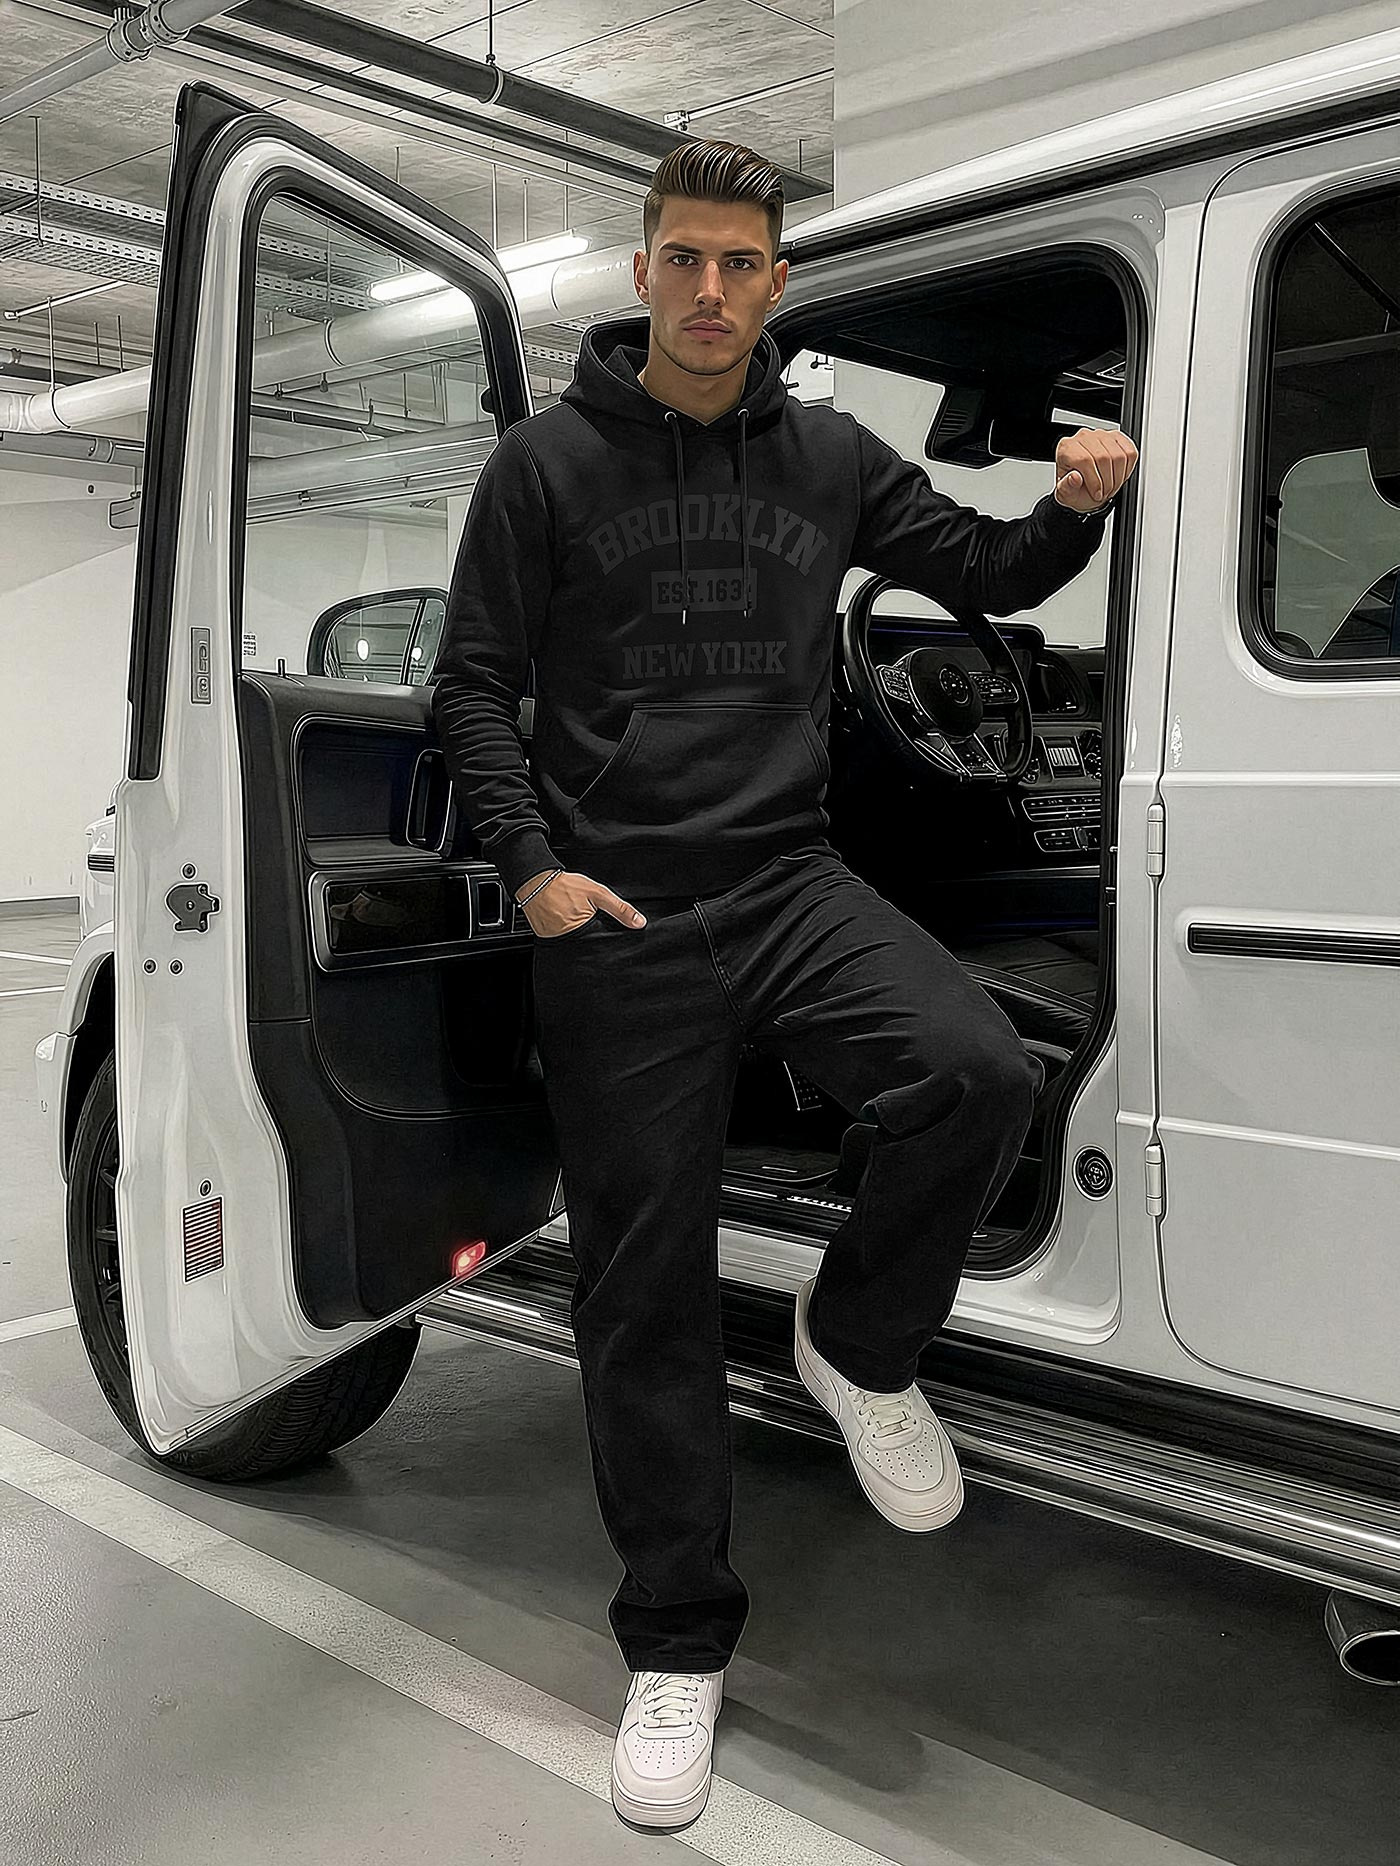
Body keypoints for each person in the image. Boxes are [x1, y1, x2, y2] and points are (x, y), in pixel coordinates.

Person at [430, 137, 1137, 1833]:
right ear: (642, 272)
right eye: (683, 259)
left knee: (976, 1070)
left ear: (776, 284)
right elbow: (468, 688)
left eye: (739, 264)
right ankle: (676, 1640)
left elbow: (984, 574)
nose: (709, 290)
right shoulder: (544, 465)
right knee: (643, 1292)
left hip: (785, 879)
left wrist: (1075, 502)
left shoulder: (826, 458)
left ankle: (858, 1338)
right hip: (617, 918)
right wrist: (534, 868)